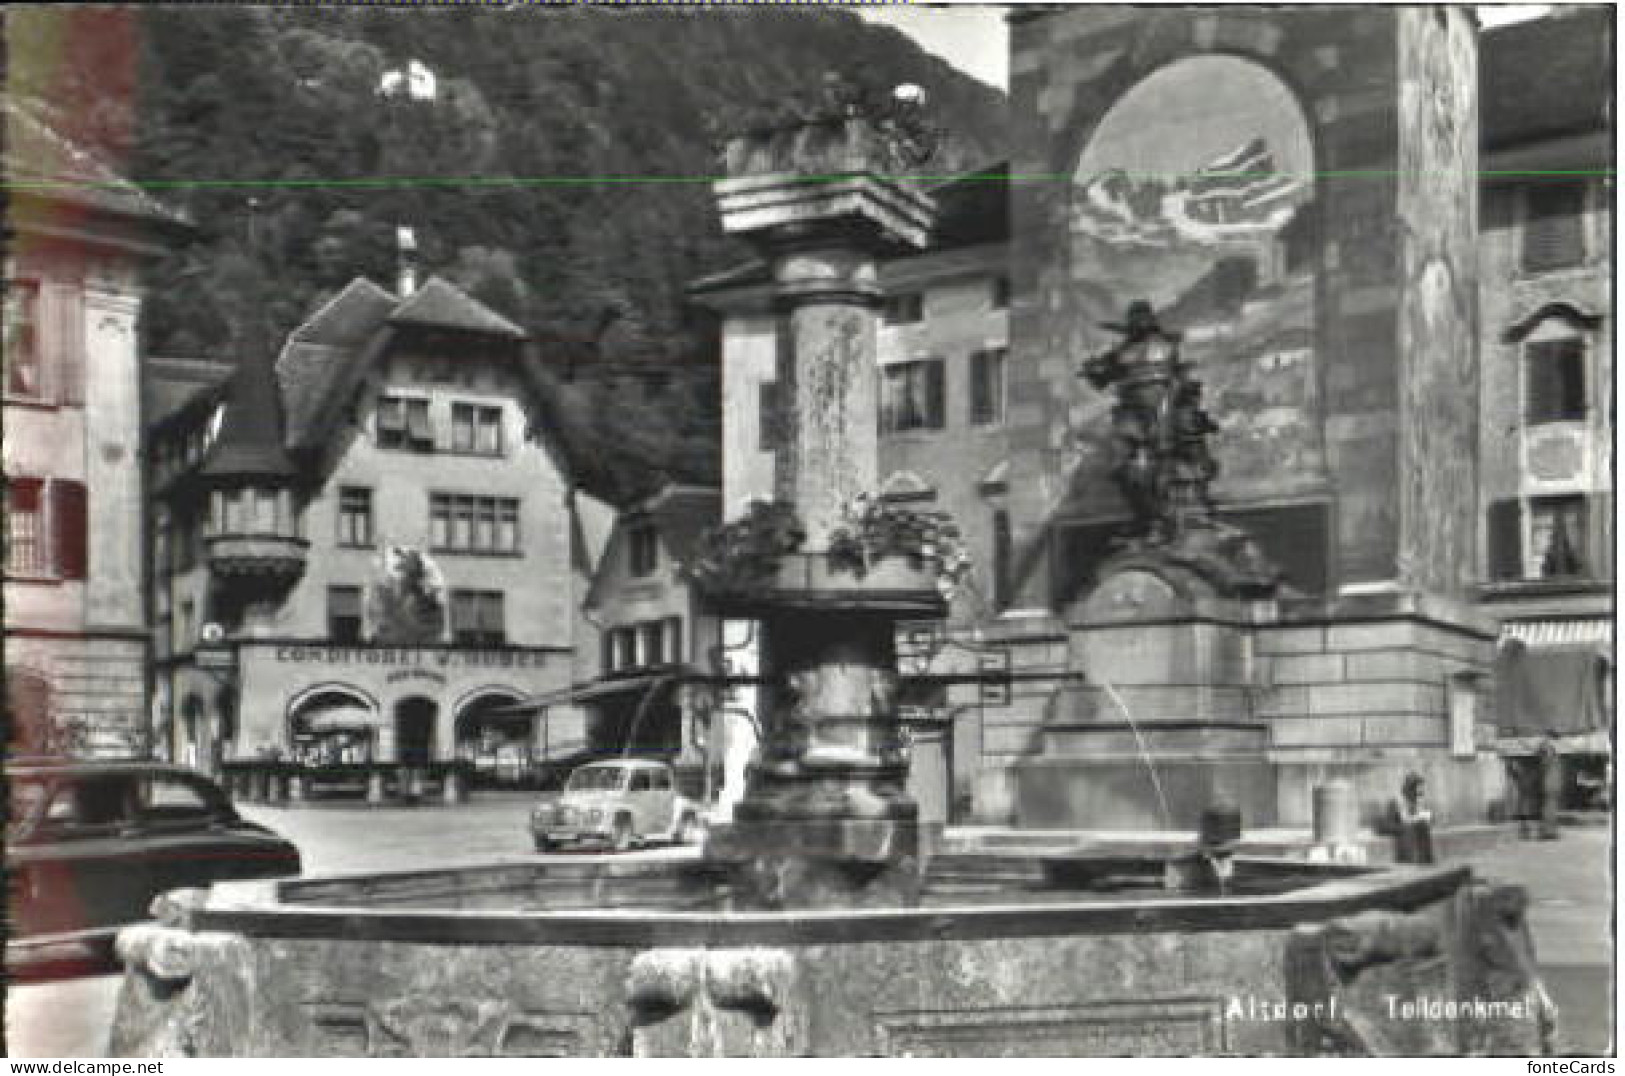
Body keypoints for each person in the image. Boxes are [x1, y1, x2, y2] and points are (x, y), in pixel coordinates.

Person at [1388, 772, 1435, 864]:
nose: (1422, 790)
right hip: (1407, 842)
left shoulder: (1417, 800)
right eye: (1419, 787)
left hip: (1421, 842)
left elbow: (1426, 818)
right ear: (1412, 787)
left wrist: (1426, 816)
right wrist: (1420, 817)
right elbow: (1404, 820)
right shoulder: (1398, 801)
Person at [1536, 730, 1563, 840]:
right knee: (1549, 808)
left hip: (1551, 781)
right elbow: (1545, 764)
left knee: (1550, 807)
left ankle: (1549, 831)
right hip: (1550, 782)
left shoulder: (1548, 748)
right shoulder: (1547, 748)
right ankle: (1548, 832)